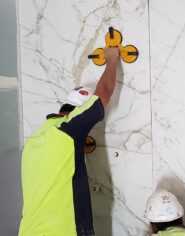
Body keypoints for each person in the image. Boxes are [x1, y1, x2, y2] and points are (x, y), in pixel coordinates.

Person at [18, 48, 120, 236]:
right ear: (78, 112)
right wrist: (112, 59)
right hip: (63, 230)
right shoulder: (68, 130)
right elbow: (104, 92)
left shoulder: (35, 138)